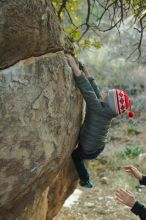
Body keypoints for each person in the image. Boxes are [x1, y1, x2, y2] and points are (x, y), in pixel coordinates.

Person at [66, 54, 134, 188]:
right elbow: (96, 92)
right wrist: (87, 73)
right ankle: (85, 163)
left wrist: (74, 67)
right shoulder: (107, 110)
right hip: (99, 146)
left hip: (89, 148)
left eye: (106, 94)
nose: (103, 93)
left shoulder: (98, 108)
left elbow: (87, 90)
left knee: (76, 155)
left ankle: (85, 180)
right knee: (86, 152)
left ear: (108, 102)